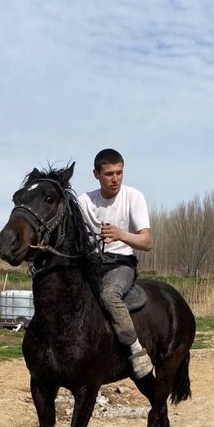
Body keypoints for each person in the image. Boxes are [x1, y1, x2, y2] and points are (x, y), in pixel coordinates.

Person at [77, 148, 154, 377]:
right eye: (109, 174)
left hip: (121, 264)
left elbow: (147, 242)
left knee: (109, 295)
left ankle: (136, 350)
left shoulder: (133, 197)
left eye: (119, 173)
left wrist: (121, 234)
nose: (116, 179)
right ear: (96, 174)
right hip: (92, 263)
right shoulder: (84, 201)